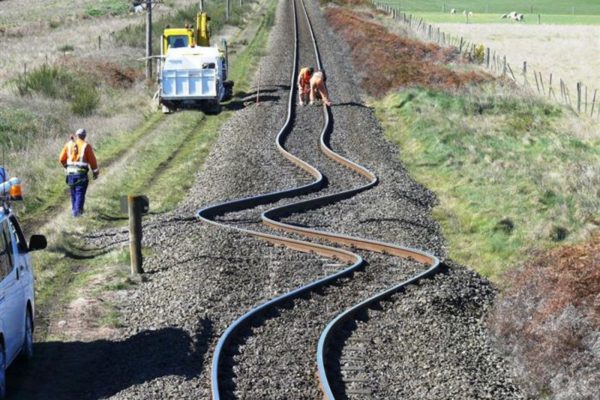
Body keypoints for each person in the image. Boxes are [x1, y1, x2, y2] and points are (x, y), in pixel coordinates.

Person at [59, 128, 99, 217]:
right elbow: (92, 161)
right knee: (80, 193)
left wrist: (67, 166)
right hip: (81, 175)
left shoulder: (68, 145)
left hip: (70, 175)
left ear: (77, 135)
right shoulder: (86, 146)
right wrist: (95, 172)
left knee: (73, 193)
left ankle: (74, 211)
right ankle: (77, 215)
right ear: (84, 136)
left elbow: (61, 159)